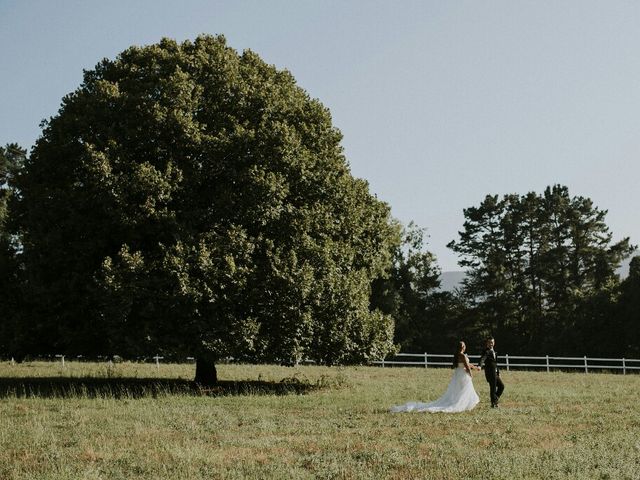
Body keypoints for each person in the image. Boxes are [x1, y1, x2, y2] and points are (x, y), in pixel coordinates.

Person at [390, 341, 480, 413]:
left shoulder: (456, 355)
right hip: (463, 374)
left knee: (459, 390)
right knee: (464, 390)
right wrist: (471, 374)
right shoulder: (463, 355)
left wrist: (475, 367)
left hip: (458, 374)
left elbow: (467, 364)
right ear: (463, 347)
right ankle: (462, 404)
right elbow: (467, 366)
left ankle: (460, 402)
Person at [479, 336, 505, 408]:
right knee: (493, 388)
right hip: (490, 373)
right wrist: (480, 366)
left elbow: (495, 363)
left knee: (501, 386)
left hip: (495, 373)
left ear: (494, 343)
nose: (491, 344)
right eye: (489, 342)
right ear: (487, 343)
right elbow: (482, 358)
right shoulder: (486, 351)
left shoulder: (495, 352)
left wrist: (498, 372)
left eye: (492, 342)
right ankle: (494, 403)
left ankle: (495, 400)